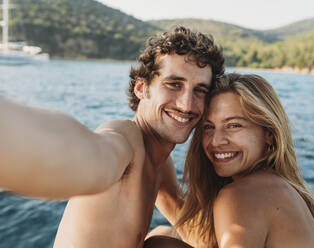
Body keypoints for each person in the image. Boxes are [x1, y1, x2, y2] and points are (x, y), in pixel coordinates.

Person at [0, 26, 224, 248]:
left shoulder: (161, 162)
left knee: (163, 238)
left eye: (200, 90)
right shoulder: (125, 140)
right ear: (141, 88)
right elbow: (92, 154)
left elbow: (188, 222)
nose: (187, 104)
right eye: (174, 84)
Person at [153, 73, 314, 248]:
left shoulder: (240, 195)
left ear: (269, 134)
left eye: (234, 125)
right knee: (163, 234)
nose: (216, 141)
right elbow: (189, 224)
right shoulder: (277, 188)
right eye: (209, 127)